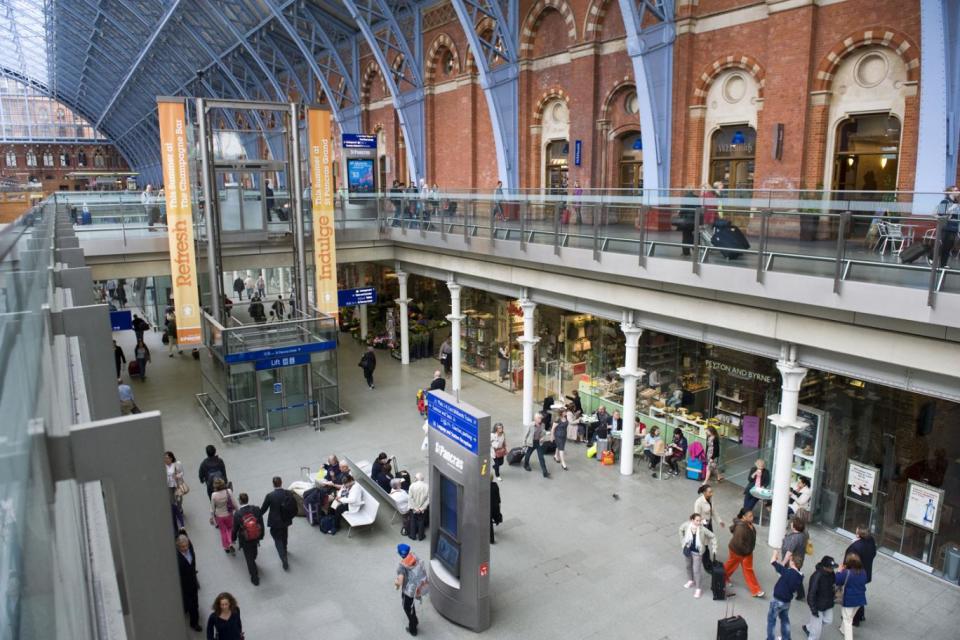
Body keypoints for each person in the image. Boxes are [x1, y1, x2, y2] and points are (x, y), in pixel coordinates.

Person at [724, 508, 764, 598]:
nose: (752, 518)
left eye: (752, 515)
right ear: (743, 517)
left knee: (743, 568)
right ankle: (721, 577)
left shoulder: (747, 524)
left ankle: (756, 590)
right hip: (740, 551)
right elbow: (739, 544)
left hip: (744, 551)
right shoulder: (741, 528)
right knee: (733, 566)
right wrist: (747, 552)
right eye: (750, 516)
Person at [767, 549, 804, 640]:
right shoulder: (800, 576)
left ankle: (770, 638)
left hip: (777, 600)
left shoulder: (787, 572)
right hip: (787, 602)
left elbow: (773, 561)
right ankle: (786, 638)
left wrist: (775, 553)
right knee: (784, 619)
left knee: (771, 620)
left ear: (792, 562)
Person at [260, 476, 295, 570]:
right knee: (284, 535)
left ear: (273, 484)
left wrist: (256, 515)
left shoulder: (270, 496)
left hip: (275, 522)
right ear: (281, 482)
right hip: (286, 520)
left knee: (277, 539)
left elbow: (263, 509)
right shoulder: (287, 493)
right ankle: (285, 549)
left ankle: (283, 557)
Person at [843, 526, 876, 627]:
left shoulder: (856, 546)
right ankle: (860, 615)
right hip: (866, 572)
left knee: (854, 594)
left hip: (856, 573)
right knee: (860, 592)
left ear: (859, 534)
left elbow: (848, 560)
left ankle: (855, 618)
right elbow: (874, 553)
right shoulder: (871, 541)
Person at [678, 513, 717, 599]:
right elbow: (680, 529)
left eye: (700, 520)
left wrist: (714, 547)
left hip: (697, 553)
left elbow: (713, 536)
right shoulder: (687, 525)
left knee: (696, 570)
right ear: (692, 520)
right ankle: (690, 580)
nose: (699, 522)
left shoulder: (702, 529)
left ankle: (698, 588)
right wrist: (683, 542)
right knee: (688, 566)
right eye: (697, 520)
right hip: (688, 550)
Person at [232, 493, 265, 585]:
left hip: (245, 539)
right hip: (255, 536)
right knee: (254, 552)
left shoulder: (237, 514)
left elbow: (235, 529)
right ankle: (254, 558)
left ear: (240, 501)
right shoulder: (256, 509)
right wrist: (261, 535)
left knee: (249, 558)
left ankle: (254, 577)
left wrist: (233, 538)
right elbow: (261, 523)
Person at [803, 555, 838, 640]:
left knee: (828, 620)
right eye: (831, 567)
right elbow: (811, 593)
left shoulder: (831, 574)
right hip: (818, 605)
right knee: (816, 632)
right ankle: (812, 633)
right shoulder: (817, 576)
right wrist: (813, 609)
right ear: (824, 567)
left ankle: (809, 627)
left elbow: (832, 586)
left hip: (828, 603)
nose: (832, 569)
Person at [394, 543, 426, 636]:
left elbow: (399, 582)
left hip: (408, 591)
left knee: (406, 607)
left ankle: (413, 628)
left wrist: (396, 582)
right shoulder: (413, 556)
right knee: (411, 605)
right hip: (416, 587)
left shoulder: (402, 567)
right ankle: (415, 620)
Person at [835, 553, 869, 640]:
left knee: (848, 621)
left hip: (849, 600)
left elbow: (837, 580)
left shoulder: (847, 573)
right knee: (849, 617)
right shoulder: (863, 571)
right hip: (860, 600)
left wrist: (839, 571)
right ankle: (843, 629)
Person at [175, 533, 203, 632]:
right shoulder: (176, 558)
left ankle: (194, 623)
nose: (186, 548)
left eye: (186, 545)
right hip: (183, 584)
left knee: (194, 603)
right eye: (183, 547)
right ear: (178, 547)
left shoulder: (189, 546)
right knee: (189, 602)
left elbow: (193, 560)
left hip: (192, 581)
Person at [781, 516, 809, 598]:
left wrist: (783, 562)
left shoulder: (795, 538)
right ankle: (800, 593)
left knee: (792, 576)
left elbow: (789, 552)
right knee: (795, 575)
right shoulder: (802, 534)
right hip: (798, 559)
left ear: (795, 526)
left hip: (793, 560)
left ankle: (799, 593)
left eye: (792, 523)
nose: (791, 524)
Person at [209, 477, 236, 555]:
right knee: (230, 529)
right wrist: (238, 511)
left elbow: (212, 508)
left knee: (223, 532)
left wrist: (212, 518)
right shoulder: (228, 491)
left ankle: (226, 547)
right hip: (229, 514)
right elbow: (234, 503)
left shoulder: (214, 495)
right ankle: (231, 543)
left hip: (219, 516)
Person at [935, 185, 960, 268]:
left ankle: (943, 264)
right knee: (944, 246)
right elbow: (940, 214)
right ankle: (933, 257)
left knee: (949, 247)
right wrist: (951, 209)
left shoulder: (956, 202)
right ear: (950, 192)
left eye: (957, 190)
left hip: (954, 228)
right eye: (955, 190)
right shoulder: (945, 201)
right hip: (946, 228)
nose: (957, 192)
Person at [522, 413, 550, 478]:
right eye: (539, 418)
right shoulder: (530, 425)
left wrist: (543, 437)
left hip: (538, 442)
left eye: (541, 418)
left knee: (541, 457)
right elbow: (525, 435)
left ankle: (545, 472)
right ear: (535, 419)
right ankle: (526, 465)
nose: (540, 419)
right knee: (528, 454)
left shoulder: (543, 425)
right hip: (531, 442)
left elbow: (543, 433)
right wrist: (524, 444)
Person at [407, 472, 429, 541]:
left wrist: (415, 508)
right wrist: (422, 508)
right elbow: (428, 499)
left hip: (414, 509)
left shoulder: (412, 486)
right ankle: (421, 536)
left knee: (413, 521)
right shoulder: (427, 486)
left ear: (416, 478)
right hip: (422, 509)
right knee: (421, 522)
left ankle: (412, 535)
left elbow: (410, 498)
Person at [490, 476, 502, 544]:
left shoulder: (484, 487)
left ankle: (491, 539)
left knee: (489, 523)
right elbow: (498, 497)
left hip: (488, 507)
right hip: (495, 506)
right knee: (496, 516)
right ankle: (497, 521)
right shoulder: (495, 485)